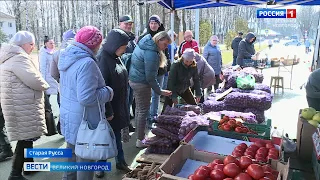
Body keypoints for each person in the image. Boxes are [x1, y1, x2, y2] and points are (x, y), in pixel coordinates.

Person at [58, 26, 114, 180]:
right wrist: (108, 92)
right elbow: (86, 97)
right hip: (84, 122)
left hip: (70, 116)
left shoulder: (67, 56)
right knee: (84, 164)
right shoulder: (87, 63)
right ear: (93, 44)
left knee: (71, 161)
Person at [0, 31, 49, 180]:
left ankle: (29, 166)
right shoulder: (19, 58)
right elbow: (34, 80)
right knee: (24, 139)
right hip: (22, 105)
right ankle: (14, 174)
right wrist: (45, 85)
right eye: (31, 44)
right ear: (23, 44)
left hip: (17, 104)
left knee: (27, 137)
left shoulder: (9, 56)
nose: (32, 47)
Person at [95, 29, 131, 178]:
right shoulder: (103, 59)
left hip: (118, 103)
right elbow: (101, 87)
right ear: (115, 45)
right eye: (123, 47)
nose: (124, 50)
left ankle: (120, 161)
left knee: (116, 136)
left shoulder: (116, 57)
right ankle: (100, 166)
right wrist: (108, 111)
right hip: (109, 108)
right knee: (105, 138)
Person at [129, 31, 172, 148]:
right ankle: (140, 140)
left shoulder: (145, 43)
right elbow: (150, 77)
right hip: (141, 83)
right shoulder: (152, 53)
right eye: (165, 44)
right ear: (159, 40)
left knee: (139, 109)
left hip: (134, 80)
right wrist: (160, 91)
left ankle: (140, 135)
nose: (166, 47)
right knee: (143, 111)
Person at [138, 15, 170, 126]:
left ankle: (153, 116)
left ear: (159, 24)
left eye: (155, 23)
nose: (153, 25)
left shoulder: (164, 35)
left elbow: (166, 53)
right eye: (151, 23)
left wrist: (167, 67)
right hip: (146, 71)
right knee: (146, 95)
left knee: (157, 93)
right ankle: (145, 117)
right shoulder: (144, 36)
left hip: (160, 70)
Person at [51, 29, 75, 135]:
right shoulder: (79, 50)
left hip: (62, 87)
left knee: (63, 107)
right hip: (76, 87)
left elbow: (53, 74)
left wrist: (60, 80)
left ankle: (63, 128)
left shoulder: (56, 54)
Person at [118, 15, 136, 132]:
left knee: (129, 100)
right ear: (120, 24)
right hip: (123, 76)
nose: (129, 26)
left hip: (132, 75)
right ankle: (123, 126)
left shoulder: (132, 39)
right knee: (123, 102)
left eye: (130, 24)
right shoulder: (118, 37)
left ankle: (127, 122)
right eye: (126, 24)